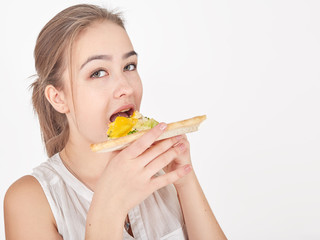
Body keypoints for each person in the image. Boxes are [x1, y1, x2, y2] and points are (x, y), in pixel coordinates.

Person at [4, 4, 227, 240]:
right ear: (58, 98)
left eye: (129, 66)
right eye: (98, 72)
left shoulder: (164, 174)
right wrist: (108, 208)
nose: (126, 88)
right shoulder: (29, 201)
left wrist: (184, 179)